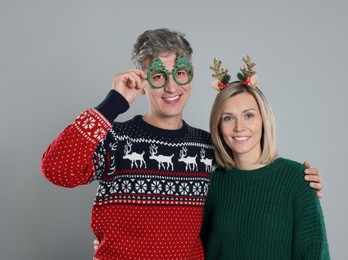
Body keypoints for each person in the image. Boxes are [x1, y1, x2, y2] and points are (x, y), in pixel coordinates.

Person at [40, 28, 323, 259]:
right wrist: (112, 104)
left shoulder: (207, 147)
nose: (172, 87)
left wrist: (301, 183)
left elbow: (251, 179)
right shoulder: (115, 139)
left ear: (190, 77)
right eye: (159, 76)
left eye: (180, 74)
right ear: (144, 81)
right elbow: (57, 169)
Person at [201, 56, 330, 259]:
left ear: (264, 119)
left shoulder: (298, 180)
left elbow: (313, 252)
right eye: (228, 118)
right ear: (218, 125)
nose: (239, 127)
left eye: (249, 115)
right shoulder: (211, 185)